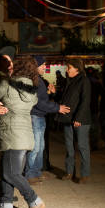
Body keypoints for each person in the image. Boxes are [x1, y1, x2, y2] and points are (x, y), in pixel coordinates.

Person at [0, 56, 45, 208]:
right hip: (24, 135)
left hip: (11, 135)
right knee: (5, 172)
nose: (10, 67)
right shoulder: (32, 87)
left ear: (19, 68)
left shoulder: (6, 84)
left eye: (13, 65)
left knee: (11, 174)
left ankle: (34, 201)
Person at [24, 55, 70, 184]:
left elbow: (41, 99)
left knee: (40, 146)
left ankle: (36, 171)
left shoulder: (38, 79)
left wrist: (49, 93)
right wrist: (57, 107)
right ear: (35, 66)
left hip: (40, 116)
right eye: (43, 65)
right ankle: (30, 173)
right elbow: (38, 102)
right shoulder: (34, 80)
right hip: (35, 116)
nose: (45, 67)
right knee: (35, 147)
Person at [56, 58, 92, 183]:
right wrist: (56, 93)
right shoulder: (69, 81)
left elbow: (85, 101)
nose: (66, 70)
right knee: (69, 147)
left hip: (80, 120)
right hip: (68, 118)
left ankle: (85, 174)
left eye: (69, 68)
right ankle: (69, 172)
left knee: (82, 147)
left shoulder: (84, 81)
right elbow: (66, 98)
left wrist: (79, 118)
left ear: (77, 69)